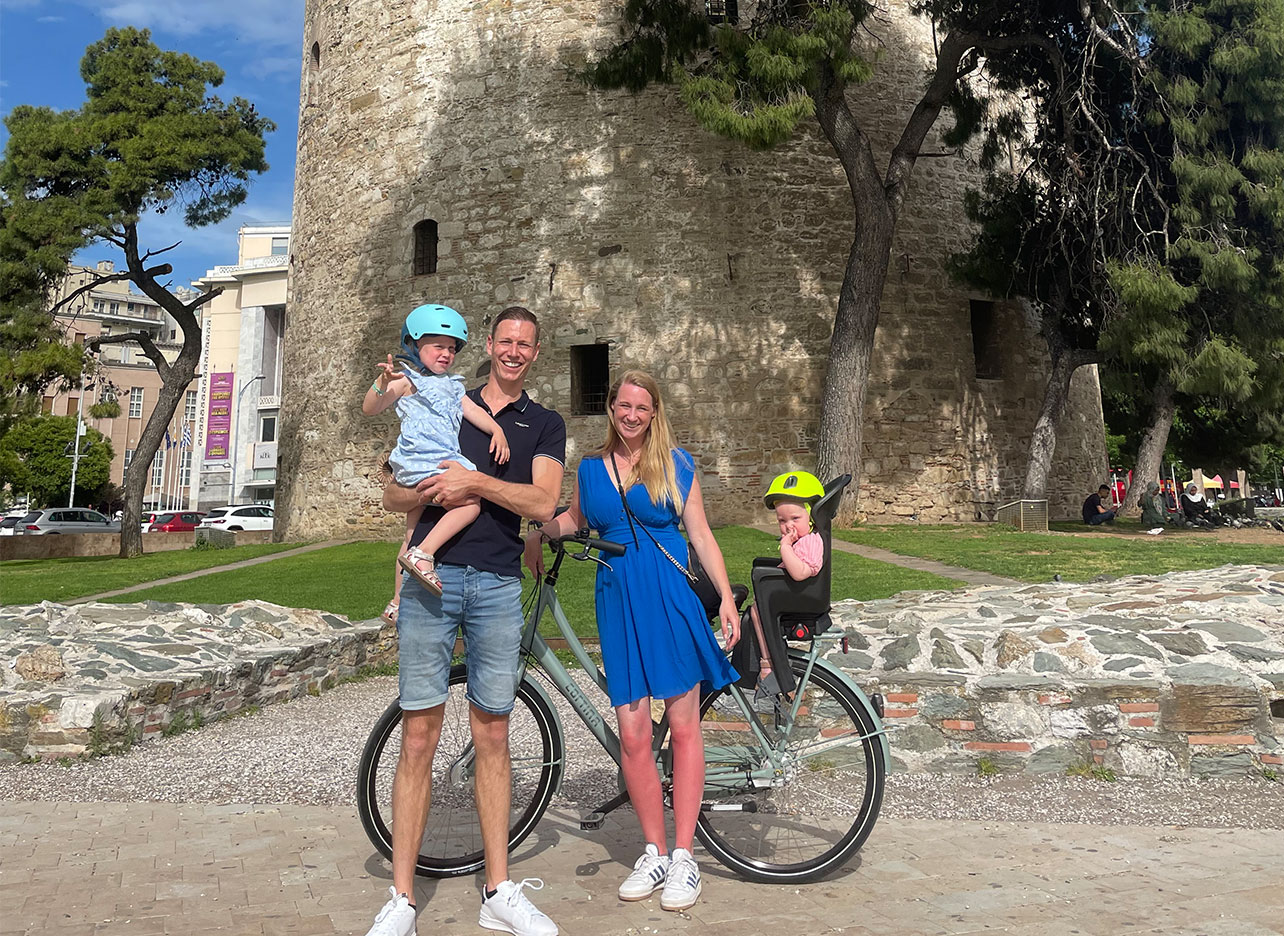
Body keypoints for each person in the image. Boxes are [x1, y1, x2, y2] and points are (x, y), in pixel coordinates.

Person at [363, 307, 565, 936]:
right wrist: (431, 491)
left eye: (524, 344)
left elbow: (542, 501)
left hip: (499, 583)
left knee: (493, 736)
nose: (513, 351)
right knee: (418, 734)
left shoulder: (545, 422)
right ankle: (401, 900)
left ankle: (498, 890)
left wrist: (473, 480)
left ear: (534, 352)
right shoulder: (442, 398)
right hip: (434, 580)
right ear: (489, 345)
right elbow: (394, 492)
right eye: (504, 341)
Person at [523, 370, 739, 913]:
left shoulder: (675, 463)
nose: (631, 415)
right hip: (616, 600)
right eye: (623, 405)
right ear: (611, 408)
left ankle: (685, 856)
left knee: (685, 726)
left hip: (668, 596)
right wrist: (535, 534)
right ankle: (654, 850)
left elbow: (701, 534)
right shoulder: (591, 468)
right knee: (634, 733)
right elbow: (576, 518)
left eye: (642, 407)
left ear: (654, 412)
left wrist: (728, 598)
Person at [363, 304, 510, 624]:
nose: (446, 354)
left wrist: (496, 428)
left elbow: (474, 412)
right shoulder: (406, 380)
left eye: (451, 348)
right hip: (427, 462)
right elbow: (371, 408)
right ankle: (425, 554)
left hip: (415, 466)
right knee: (470, 503)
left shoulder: (451, 386)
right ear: (414, 346)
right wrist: (381, 381)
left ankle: (398, 602)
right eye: (437, 347)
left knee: (409, 533)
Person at [744, 470, 826, 712]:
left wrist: (784, 548)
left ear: (811, 517)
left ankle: (769, 664)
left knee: (758, 612)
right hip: (789, 593)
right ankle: (765, 660)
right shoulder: (802, 540)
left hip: (800, 595)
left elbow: (801, 572)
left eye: (795, 519)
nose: (788, 526)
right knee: (754, 612)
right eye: (782, 521)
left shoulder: (810, 541)